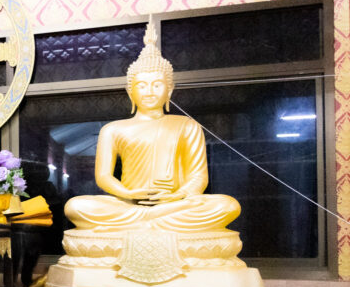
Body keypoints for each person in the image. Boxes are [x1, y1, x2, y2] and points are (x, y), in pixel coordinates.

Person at [63, 23, 241, 232]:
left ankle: (142, 223)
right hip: (129, 204)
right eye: (141, 85)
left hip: (173, 204)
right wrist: (129, 194)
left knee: (228, 205)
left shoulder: (187, 126)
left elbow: (198, 177)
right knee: (74, 207)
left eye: (157, 85)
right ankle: (152, 222)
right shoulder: (112, 129)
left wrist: (176, 195)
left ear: (170, 90)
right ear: (130, 92)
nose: (149, 91)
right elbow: (104, 177)